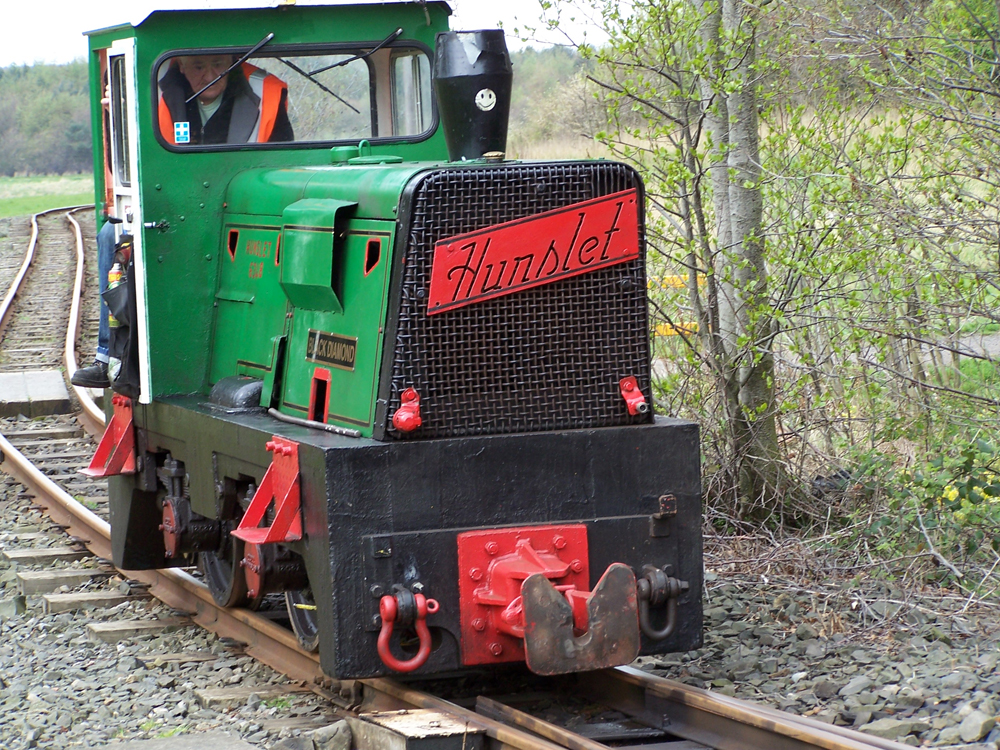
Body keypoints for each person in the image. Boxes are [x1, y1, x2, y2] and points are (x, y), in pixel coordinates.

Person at [72, 55, 293, 388]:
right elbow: (126, 153)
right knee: (109, 234)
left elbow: (286, 159)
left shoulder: (265, 93)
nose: (210, 74)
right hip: (171, 205)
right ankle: (108, 356)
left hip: (242, 203)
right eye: (199, 67)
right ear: (180, 68)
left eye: (219, 64)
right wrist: (112, 112)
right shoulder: (151, 93)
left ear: (234, 62)